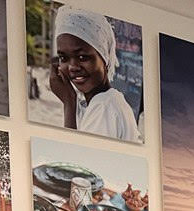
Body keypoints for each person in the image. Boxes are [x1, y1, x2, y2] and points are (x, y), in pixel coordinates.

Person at [49, 6, 139, 142]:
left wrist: (69, 103)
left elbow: (75, 159)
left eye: (82, 57)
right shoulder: (101, 102)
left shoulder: (104, 107)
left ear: (104, 58)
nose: (73, 67)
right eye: (64, 58)